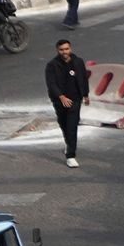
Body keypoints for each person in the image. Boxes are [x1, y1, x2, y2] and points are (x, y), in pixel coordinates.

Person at [44, 39, 89, 168]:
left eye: (66, 49)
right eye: (62, 50)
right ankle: (68, 142)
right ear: (58, 50)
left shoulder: (78, 62)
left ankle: (70, 155)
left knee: (72, 126)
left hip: (75, 100)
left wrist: (85, 94)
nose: (65, 52)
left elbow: (83, 79)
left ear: (70, 48)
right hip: (59, 101)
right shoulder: (52, 65)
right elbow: (51, 84)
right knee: (63, 124)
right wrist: (61, 97)